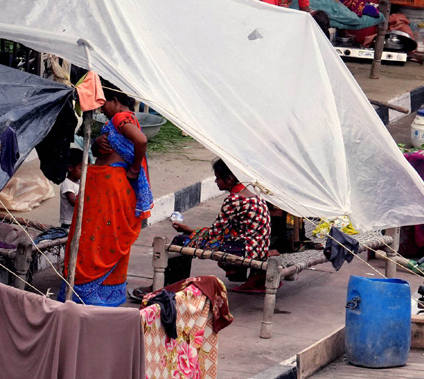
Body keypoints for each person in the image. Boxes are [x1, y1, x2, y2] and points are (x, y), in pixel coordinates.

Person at [161, 159, 271, 291]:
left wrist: (190, 232)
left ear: (229, 179)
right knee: (191, 238)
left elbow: (214, 233)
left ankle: (170, 288)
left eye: (218, 178)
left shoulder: (234, 200)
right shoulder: (253, 194)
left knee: (180, 242)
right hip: (259, 247)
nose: (215, 182)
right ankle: (175, 286)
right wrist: (192, 232)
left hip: (246, 249)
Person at [63, 137, 146, 306]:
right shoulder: (111, 127)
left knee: (99, 238)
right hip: (107, 182)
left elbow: (141, 140)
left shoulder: (123, 121)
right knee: (94, 237)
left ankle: (90, 294)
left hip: (111, 182)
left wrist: (136, 167)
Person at [95, 86, 153, 218]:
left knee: (106, 222)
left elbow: (141, 140)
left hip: (112, 178)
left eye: (103, 105)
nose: (101, 110)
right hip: (114, 179)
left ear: (115, 101)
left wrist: (135, 168)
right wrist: (98, 141)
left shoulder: (119, 118)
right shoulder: (129, 118)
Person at [59, 147, 82, 230]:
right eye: (81, 168)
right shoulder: (67, 183)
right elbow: (74, 202)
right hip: (68, 223)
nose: (84, 171)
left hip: (76, 221)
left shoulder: (79, 182)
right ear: (70, 168)